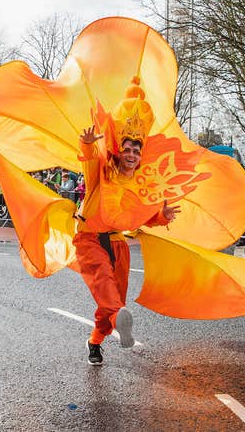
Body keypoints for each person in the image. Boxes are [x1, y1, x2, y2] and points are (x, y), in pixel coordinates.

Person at [76, 123, 180, 365]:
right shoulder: (101, 173)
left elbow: (144, 217)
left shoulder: (141, 187)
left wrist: (163, 215)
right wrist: (88, 143)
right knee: (103, 280)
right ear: (119, 153)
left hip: (117, 241)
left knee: (114, 301)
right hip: (90, 236)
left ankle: (95, 341)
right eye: (127, 150)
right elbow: (89, 158)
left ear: (140, 157)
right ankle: (117, 319)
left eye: (136, 151)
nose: (131, 155)